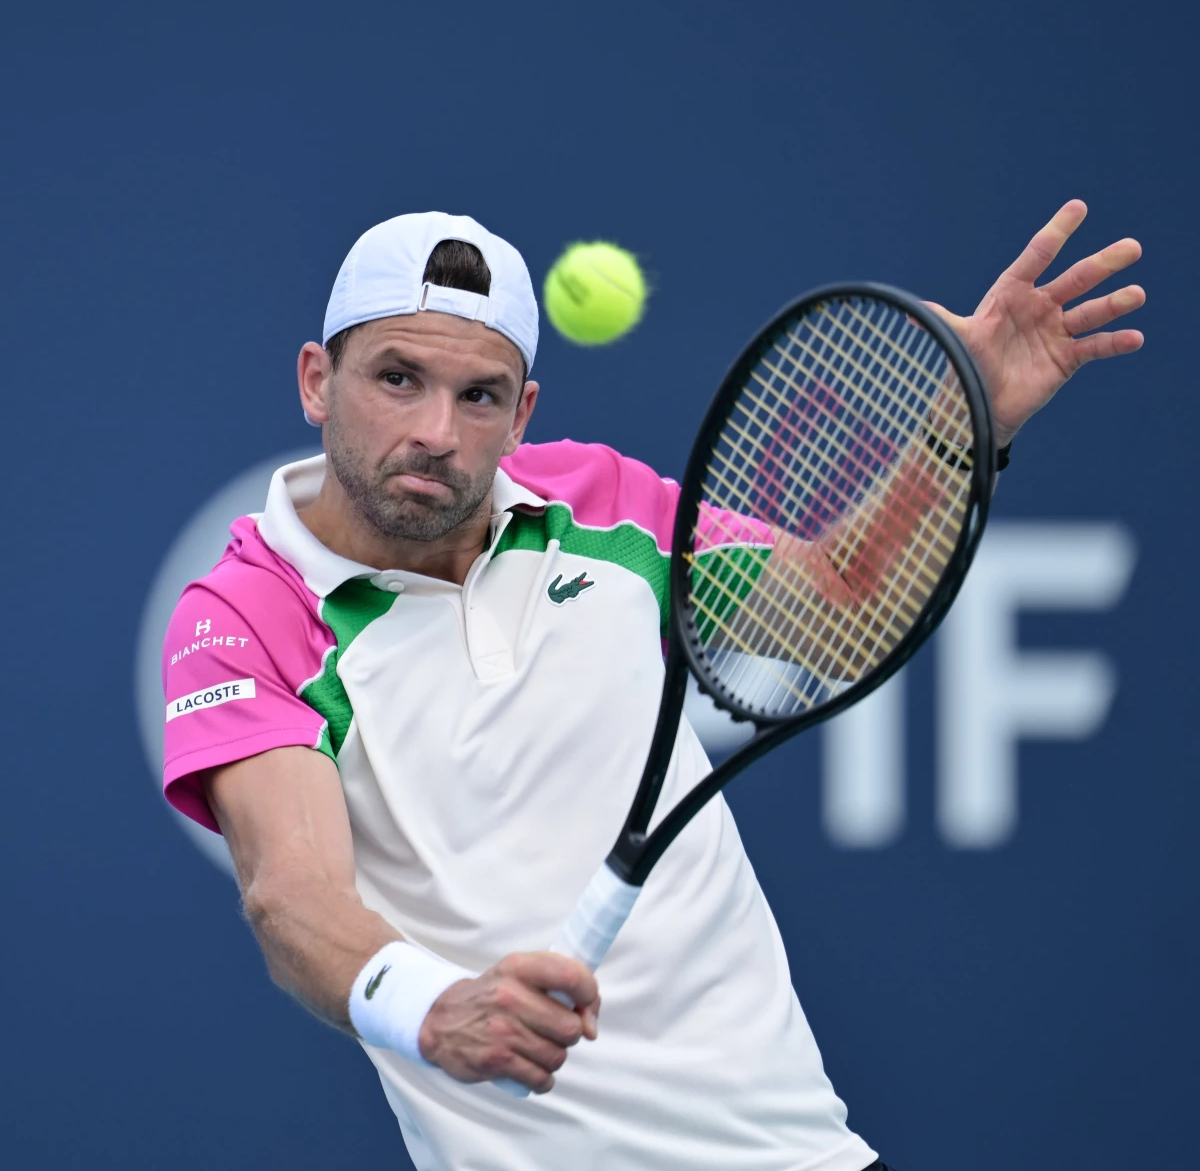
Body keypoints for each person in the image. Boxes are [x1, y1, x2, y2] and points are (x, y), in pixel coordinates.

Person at [161, 208, 1144, 1170]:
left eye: (479, 397)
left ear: (522, 416)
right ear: (315, 381)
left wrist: (958, 426)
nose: (436, 432)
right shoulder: (247, 615)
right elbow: (293, 895)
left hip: (797, 1155)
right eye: (398, 379)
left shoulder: (599, 502)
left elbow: (843, 603)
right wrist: (433, 1008)